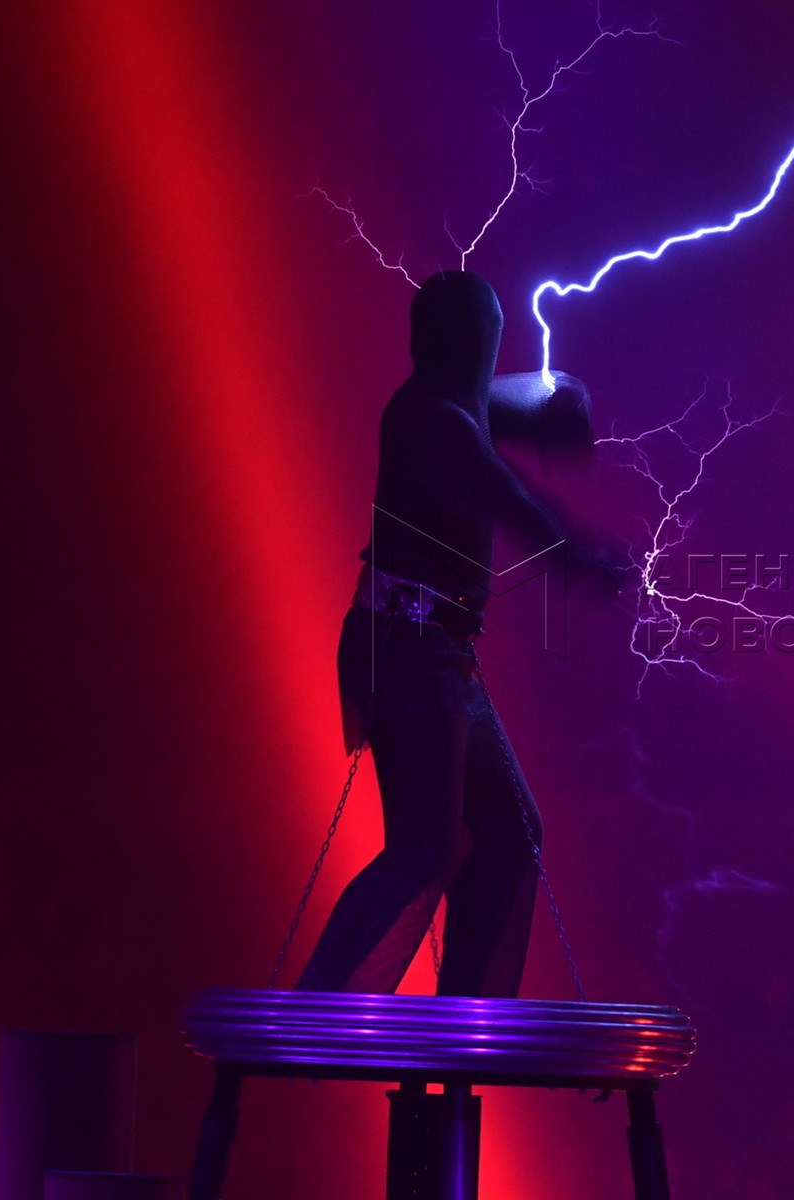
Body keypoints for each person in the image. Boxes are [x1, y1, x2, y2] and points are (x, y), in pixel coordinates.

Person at [295, 269, 624, 997]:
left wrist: (558, 398)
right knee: (424, 847)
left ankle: (467, 1022)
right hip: (405, 650)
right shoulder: (432, 421)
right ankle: (316, 1007)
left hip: (436, 654)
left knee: (508, 830)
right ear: (470, 343)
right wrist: (580, 555)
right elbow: (502, 492)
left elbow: (506, 403)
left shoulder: (451, 403)